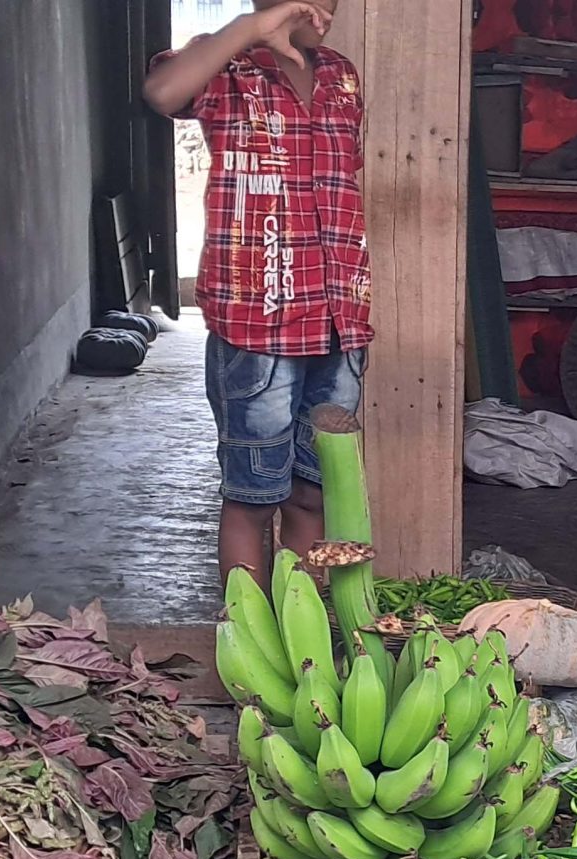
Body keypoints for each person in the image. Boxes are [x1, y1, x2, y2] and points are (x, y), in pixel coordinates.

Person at [146, 0, 370, 587]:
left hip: (339, 322)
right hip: (257, 325)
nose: (319, 9)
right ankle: (248, 635)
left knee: (312, 493)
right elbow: (162, 93)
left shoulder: (341, 75)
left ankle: (299, 629)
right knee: (252, 496)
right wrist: (249, 31)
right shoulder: (224, 66)